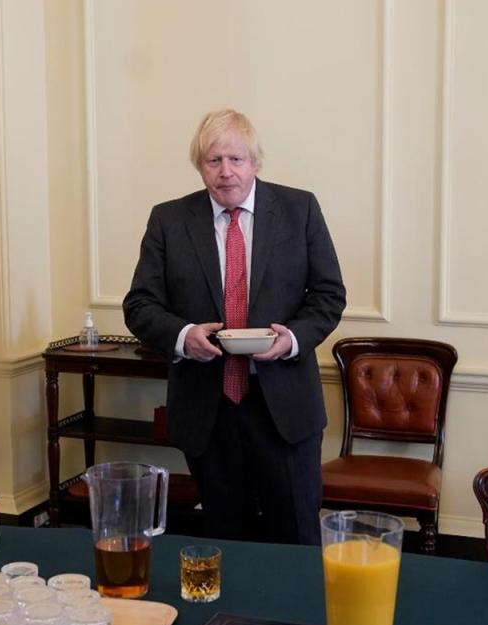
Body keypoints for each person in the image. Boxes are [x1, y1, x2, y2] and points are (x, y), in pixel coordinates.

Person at [123, 108, 345, 545]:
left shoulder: (299, 209)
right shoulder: (168, 220)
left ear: (255, 162)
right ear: (200, 167)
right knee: (226, 539)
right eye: (213, 161)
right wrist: (185, 337)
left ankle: (299, 615)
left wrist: (293, 339)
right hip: (208, 410)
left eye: (236, 160)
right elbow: (140, 304)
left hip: (284, 407)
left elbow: (329, 295)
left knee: (297, 535)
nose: (226, 173)